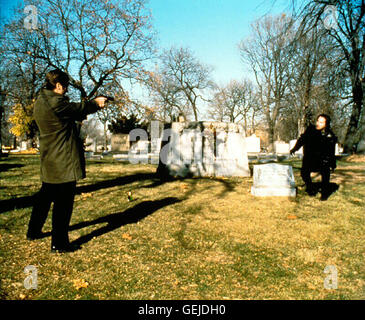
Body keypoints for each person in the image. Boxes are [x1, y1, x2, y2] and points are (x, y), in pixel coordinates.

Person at [26, 69, 108, 252]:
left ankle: (33, 231)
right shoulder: (56, 102)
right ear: (58, 85)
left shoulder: (41, 101)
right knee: (63, 204)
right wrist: (95, 103)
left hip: (50, 158)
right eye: (65, 87)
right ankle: (59, 243)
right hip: (62, 159)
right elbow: (77, 108)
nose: (66, 91)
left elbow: (67, 115)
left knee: (45, 197)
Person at [290, 114, 338, 201]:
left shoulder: (330, 136)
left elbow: (331, 152)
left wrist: (333, 164)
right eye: (318, 121)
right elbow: (302, 139)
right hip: (309, 158)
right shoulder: (310, 130)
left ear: (326, 124)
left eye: (321, 122)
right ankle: (311, 188)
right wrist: (294, 149)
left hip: (322, 160)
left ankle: (324, 193)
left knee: (325, 171)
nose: (318, 123)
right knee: (304, 173)